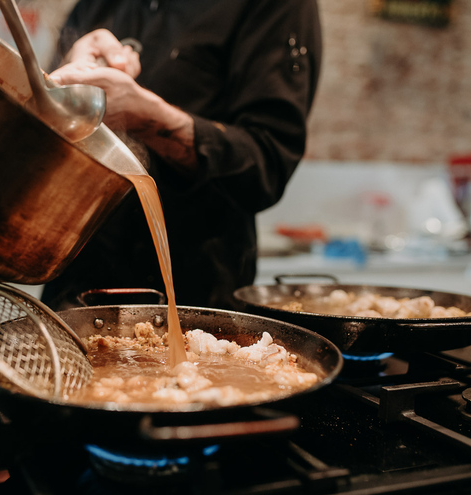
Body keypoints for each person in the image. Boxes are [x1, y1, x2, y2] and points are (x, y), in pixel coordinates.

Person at [40, 0, 322, 311]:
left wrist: (150, 118)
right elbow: (44, 136)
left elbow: (267, 163)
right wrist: (68, 76)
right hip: (72, 290)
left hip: (194, 304)